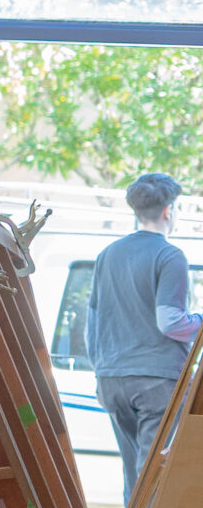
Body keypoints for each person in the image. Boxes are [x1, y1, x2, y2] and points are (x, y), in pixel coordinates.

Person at [86, 173, 203, 487]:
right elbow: (170, 322)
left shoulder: (107, 255)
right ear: (168, 211)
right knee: (154, 475)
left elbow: (93, 324)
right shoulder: (170, 256)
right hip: (156, 382)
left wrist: (100, 373)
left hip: (112, 379)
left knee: (134, 475)